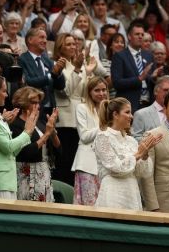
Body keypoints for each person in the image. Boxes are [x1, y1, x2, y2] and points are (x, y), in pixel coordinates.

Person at [0, 74, 38, 199]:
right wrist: (27, 132)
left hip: (9, 182)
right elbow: (8, 147)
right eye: (3, 91)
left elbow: (13, 151)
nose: (6, 95)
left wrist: (27, 133)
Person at [93, 97, 162, 210]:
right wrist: (138, 154)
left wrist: (144, 155)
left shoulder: (131, 140)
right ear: (115, 114)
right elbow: (115, 168)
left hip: (132, 193)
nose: (131, 116)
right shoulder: (103, 137)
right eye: (127, 112)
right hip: (113, 193)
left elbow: (140, 173)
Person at [52, 32, 97, 185]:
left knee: (79, 161)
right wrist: (78, 69)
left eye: (74, 44)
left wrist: (88, 72)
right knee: (66, 161)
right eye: (68, 44)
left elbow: (86, 92)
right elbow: (66, 91)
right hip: (66, 121)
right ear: (60, 48)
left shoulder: (79, 64)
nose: (73, 46)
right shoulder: (57, 66)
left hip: (83, 119)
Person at [10, 86, 61, 202]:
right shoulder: (15, 124)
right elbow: (27, 152)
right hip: (26, 174)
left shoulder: (41, 122)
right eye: (33, 102)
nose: (37, 106)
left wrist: (52, 132)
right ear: (23, 103)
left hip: (43, 172)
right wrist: (47, 134)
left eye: (38, 103)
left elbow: (59, 150)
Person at [72, 77, 108, 205]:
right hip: (87, 164)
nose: (101, 93)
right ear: (89, 92)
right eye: (97, 90)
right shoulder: (82, 108)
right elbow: (84, 136)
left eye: (104, 90)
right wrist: (104, 125)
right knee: (89, 205)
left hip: (106, 164)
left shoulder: (110, 108)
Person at [19, 27, 66, 120]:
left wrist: (59, 73)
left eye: (46, 38)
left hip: (50, 110)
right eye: (41, 37)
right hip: (33, 109)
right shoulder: (22, 59)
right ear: (30, 40)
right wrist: (51, 75)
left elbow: (61, 86)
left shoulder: (49, 61)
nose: (45, 41)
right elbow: (28, 82)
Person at [111, 21, 153, 112]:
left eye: (142, 34)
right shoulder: (119, 56)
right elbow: (117, 83)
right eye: (137, 34)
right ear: (129, 36)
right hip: (129, 106)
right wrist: (139, 79)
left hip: (149, 105)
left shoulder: (148, 55)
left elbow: (150, 80)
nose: (140, 36)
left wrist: (155, 77)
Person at [132, 75, 169, 141]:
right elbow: (135, 139)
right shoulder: (141, 114)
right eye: (166, 90)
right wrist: (156, 142)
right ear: (156, 91)